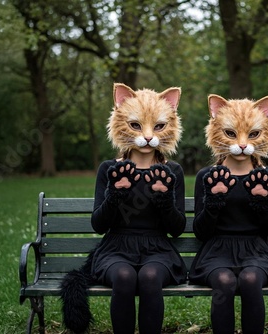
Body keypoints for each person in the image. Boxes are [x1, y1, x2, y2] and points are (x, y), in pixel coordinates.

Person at [60, 83, 187, 334]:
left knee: (150, 277)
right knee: (124, 277)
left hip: (157, 249)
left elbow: (177, 229)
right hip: (116, 248)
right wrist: (114, 195)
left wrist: (164, 199)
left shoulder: (173, 171)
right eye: (137, 125)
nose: (148, 136)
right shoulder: (109, 168)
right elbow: (99, 225)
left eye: (158, 126)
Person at [189, 94, 268, 333]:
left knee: (250, 280)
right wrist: (214, 202)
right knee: (224, 281)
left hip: (257, 251)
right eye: (231, 134)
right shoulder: (206, 176)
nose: (242, 144)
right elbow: (201, 232)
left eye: (252, 134)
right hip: (217, 251)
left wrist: (262, 204)